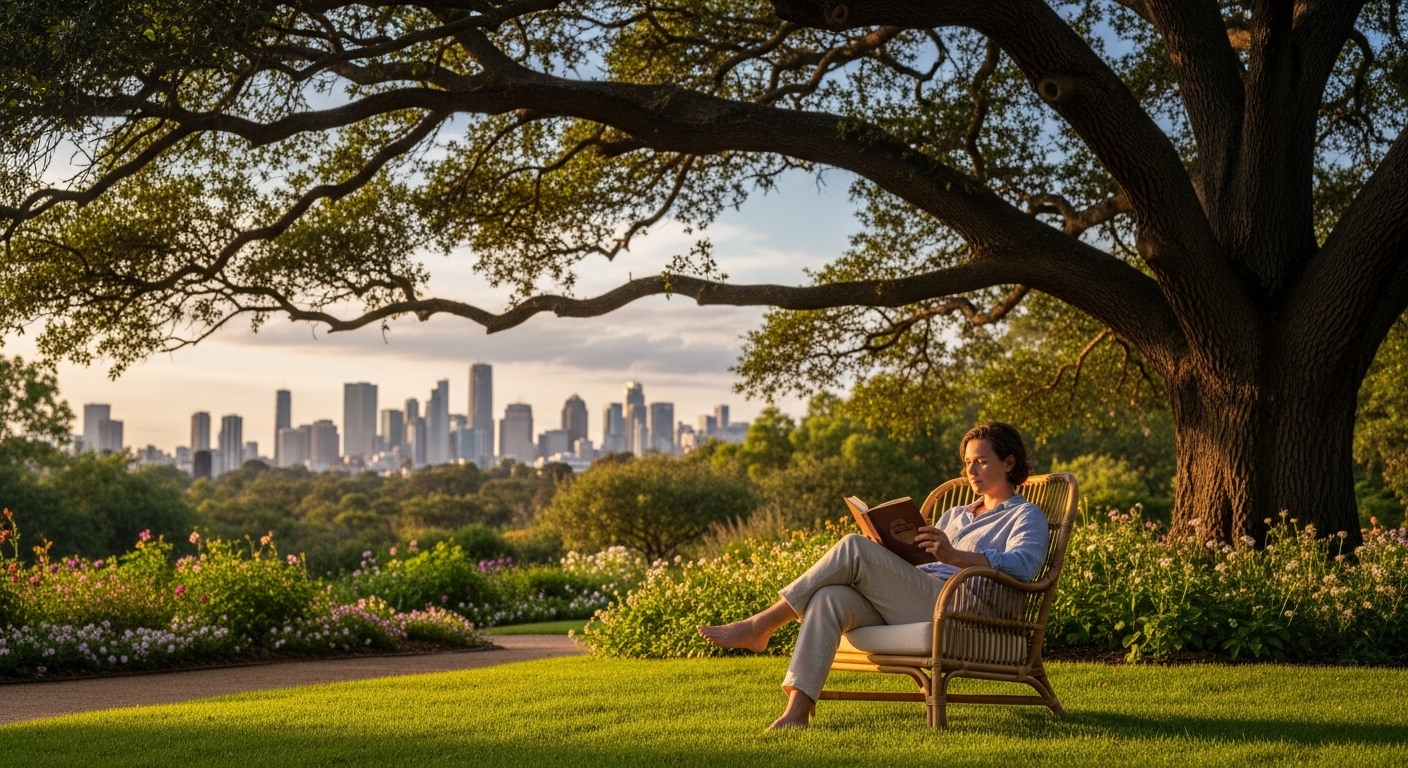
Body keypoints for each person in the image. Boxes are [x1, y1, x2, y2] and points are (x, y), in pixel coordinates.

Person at [697, 421, 1050, 730]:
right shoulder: (955, 514)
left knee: (852, 547)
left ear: (1008, 463)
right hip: (920, 597)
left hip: (961, 610)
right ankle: (797, 711)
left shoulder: (1024, 515)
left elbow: (1024, 565)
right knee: (829, 598)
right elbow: (922, 562)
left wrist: (954, 555)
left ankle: (761, 627)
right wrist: (889, 550)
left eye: (982, 461)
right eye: (968, 462)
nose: (972, 470)